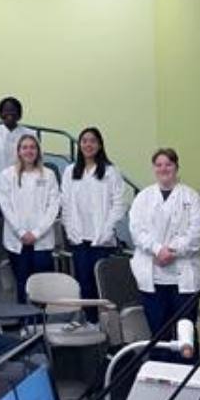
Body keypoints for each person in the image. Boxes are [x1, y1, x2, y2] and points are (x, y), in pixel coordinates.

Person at [128, 147, 200, 359]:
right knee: (158, 333)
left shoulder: (192, 197)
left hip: (184, 276)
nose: (164, 169)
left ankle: (187, 374)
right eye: (159, 165)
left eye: (168, 164)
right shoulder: (143, 197)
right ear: (154, 168)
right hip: (152, 276)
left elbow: (195, 234)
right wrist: (156, 249)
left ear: (176, 167)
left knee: (186, 332)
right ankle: (160, 377)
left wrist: (170, 251)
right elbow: (136, 229)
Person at [60, 127, 128, 319]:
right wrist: (70, 230)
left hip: (102, 240)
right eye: (84, 141)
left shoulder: (111, 171)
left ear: (99, 145)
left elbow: (119, 204)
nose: (88, 145)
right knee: (85, 284)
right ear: (79, 145)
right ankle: (90, 324)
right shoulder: (70, 171)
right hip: (79, 239)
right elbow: (65, 203)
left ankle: (108, 328)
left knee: (103, 287)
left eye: (92, 141)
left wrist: (107, 230)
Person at [0, 135, 60, 304]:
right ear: (18, 151)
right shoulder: (7, 175)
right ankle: (25, 324)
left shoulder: (49, 175)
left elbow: (53, 206)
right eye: (24, 147)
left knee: (41, 285)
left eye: (32, 147)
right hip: (17, 240)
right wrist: (21, 232)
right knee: (22, 283)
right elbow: (6, 206)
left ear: (38, 151)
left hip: (42, 240)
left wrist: (37, 233)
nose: (29, 151)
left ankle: (41, 324)